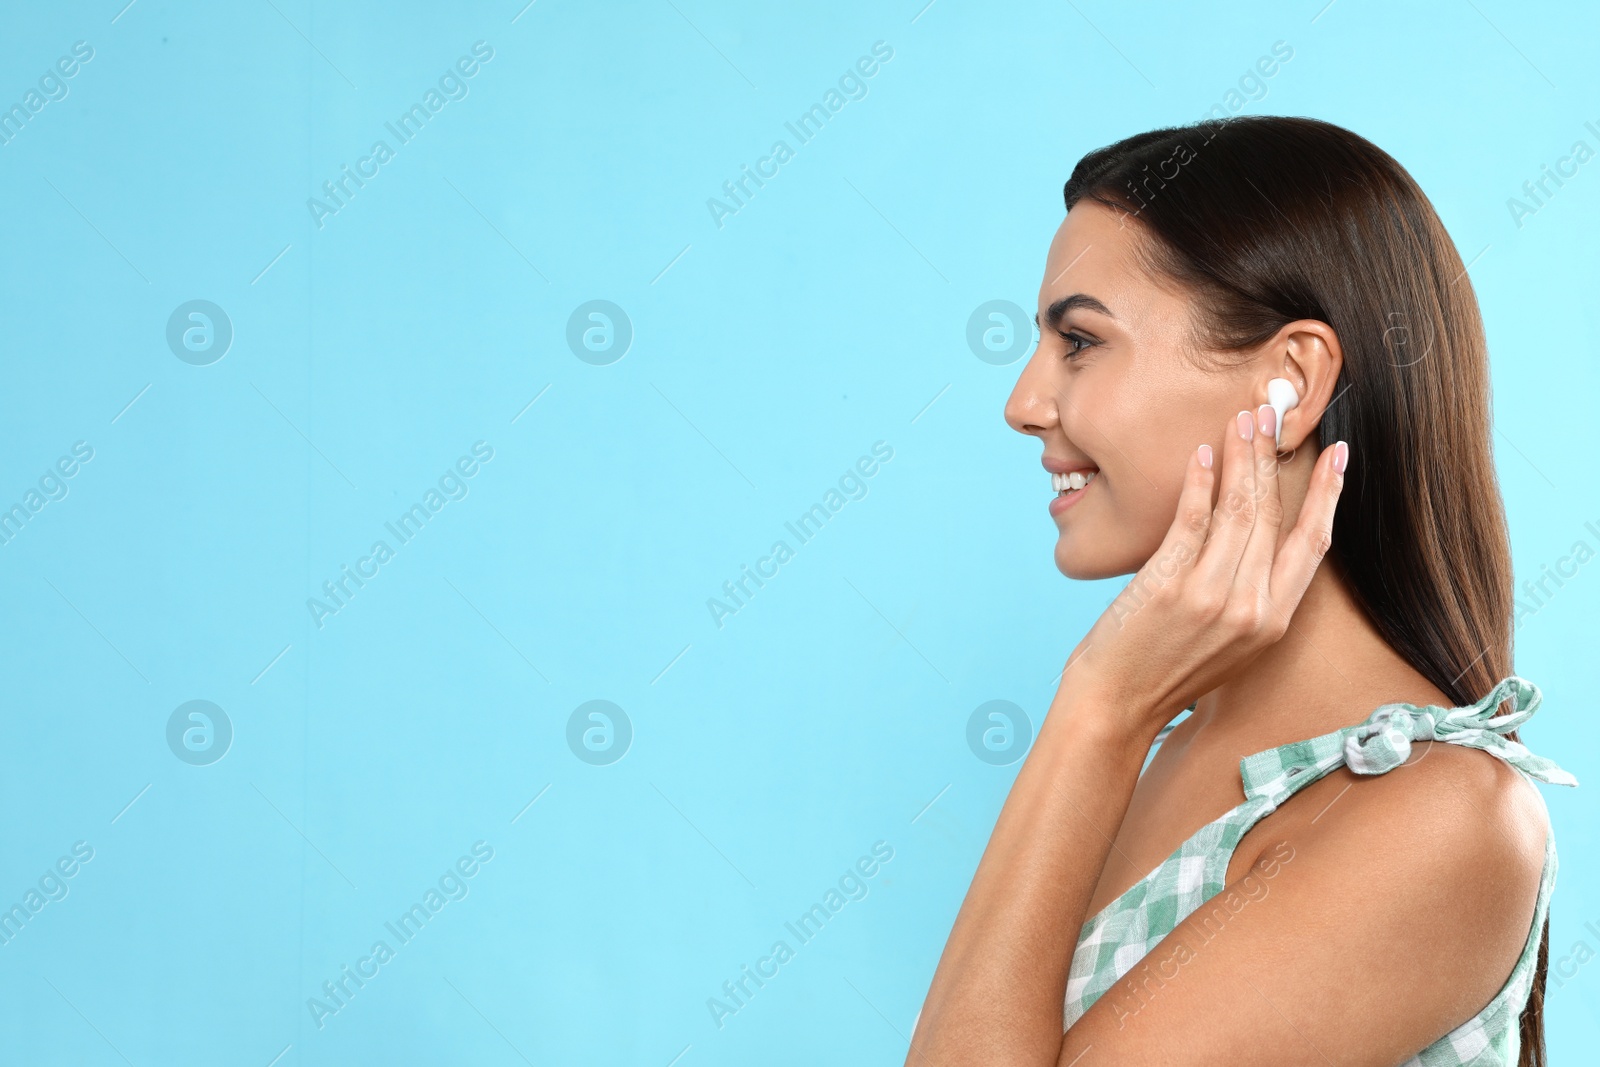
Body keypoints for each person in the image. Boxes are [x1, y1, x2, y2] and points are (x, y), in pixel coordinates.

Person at [910, 116, 1576, 1066]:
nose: (1024, 402)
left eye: (1081, 342)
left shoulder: (1442, 814)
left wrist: (1101, 703)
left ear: (1289, 382)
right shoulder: (1176, 753)